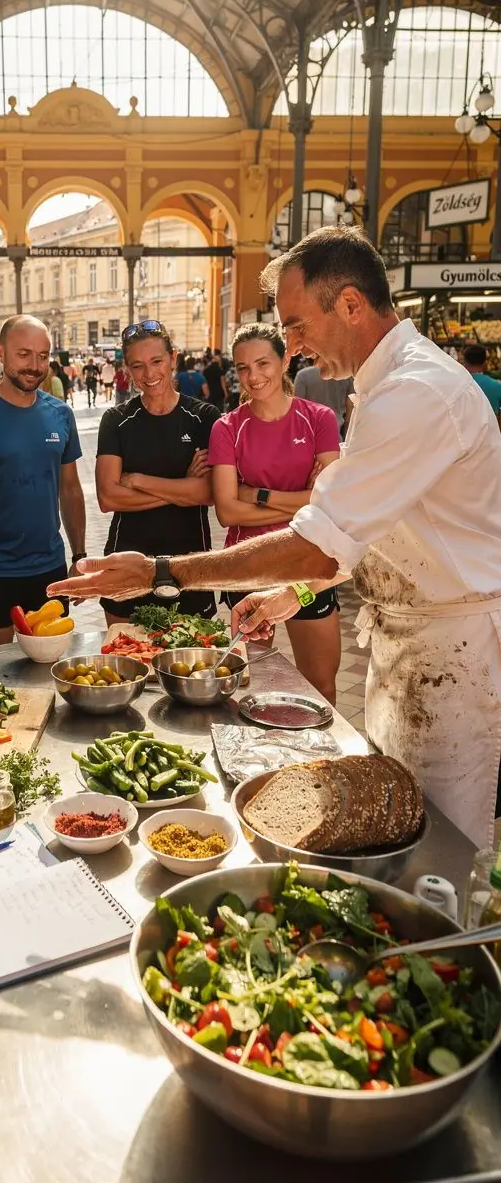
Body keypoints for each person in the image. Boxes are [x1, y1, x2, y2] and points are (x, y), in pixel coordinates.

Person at [49, 227, 501, 848]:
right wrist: (293, 593)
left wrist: (161, 571)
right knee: (399, 822)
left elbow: (321, 539)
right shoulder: (388, 384)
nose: (294, 345)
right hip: (414, 645)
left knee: (444, 845)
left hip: (455, 653)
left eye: (295, 325)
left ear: (350, 304)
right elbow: (369, 532)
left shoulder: (414, 391)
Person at [208, 323, 341, 702]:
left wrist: (258, 495)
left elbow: (331, 503)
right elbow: (227, 512)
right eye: (243, 368)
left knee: (321, 686)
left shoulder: (319, 418)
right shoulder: (227, 427)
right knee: (249, 686)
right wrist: (303, 500)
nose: (253, 376)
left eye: (263, 363)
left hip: (309, 563)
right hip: (248, 564)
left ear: (284, 362)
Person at [0, 315, 86, 647]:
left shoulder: (61, 414)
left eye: (43, 356)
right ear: (0, 353)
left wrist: (79, 556)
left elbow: (70, 490)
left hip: (49, 566)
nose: (34, 365)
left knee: (50, 662)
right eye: (24, 354)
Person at [96, 320, 220, 626]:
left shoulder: (203, 417)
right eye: (137, 366)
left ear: (173, 358)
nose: (149, 374)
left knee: (189, 654)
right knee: (126, 654)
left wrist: (137, 481)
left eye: (156, 361)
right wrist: (183, 488)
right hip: (127, 558)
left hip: (189, 562)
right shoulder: (116, 420)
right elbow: (108, 498)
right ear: (127, 369)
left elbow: (208, 493)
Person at [294, 362, 353, 439]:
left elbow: (297, 411)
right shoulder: (347, 376)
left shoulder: (303, 375)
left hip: (310, 436)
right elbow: (350, 414)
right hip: (335, 435)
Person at [461, 344, 501, 420]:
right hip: (490, 426)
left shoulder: (457, 384)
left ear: (465, 362)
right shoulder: (497, 386)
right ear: (485, 363)